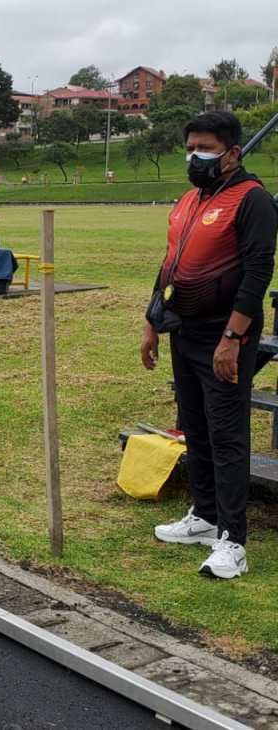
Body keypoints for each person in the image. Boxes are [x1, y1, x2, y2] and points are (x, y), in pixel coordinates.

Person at [141, 111, 278, 579]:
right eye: (189, 149)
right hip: (185, 329)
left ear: (232, 153)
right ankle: (204, 515)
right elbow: (169, 264)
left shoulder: (253, 200)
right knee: (195, 426)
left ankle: (233, 541)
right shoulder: (190, 199)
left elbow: (258, 273)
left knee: (227, 435)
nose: (194, 157)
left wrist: (232, 338)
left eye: (204, 149)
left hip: (226, 334)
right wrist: (151, 323)